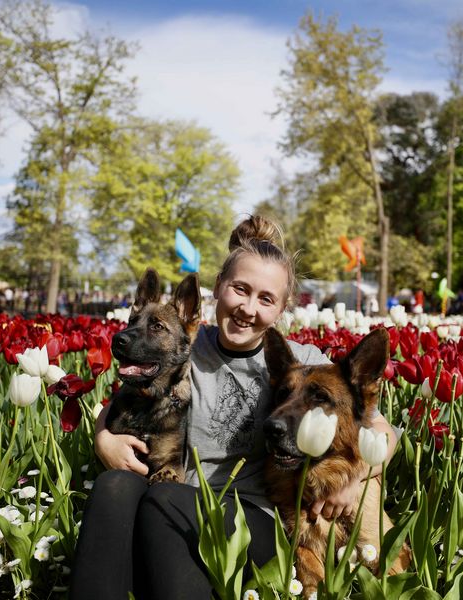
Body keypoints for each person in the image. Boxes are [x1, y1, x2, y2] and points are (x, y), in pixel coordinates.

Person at [70, 216, 398, 600]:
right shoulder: (182, 345)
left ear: (281, 309)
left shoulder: (299, 362)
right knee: (114, 486)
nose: (247, 308)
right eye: (239, 289)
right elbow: (116, 407)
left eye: (266, 299)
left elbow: (382, 432)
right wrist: (103, 440)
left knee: (165, 500)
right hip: (176, 503)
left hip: (254, 519)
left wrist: (359, 479)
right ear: (218, 287)